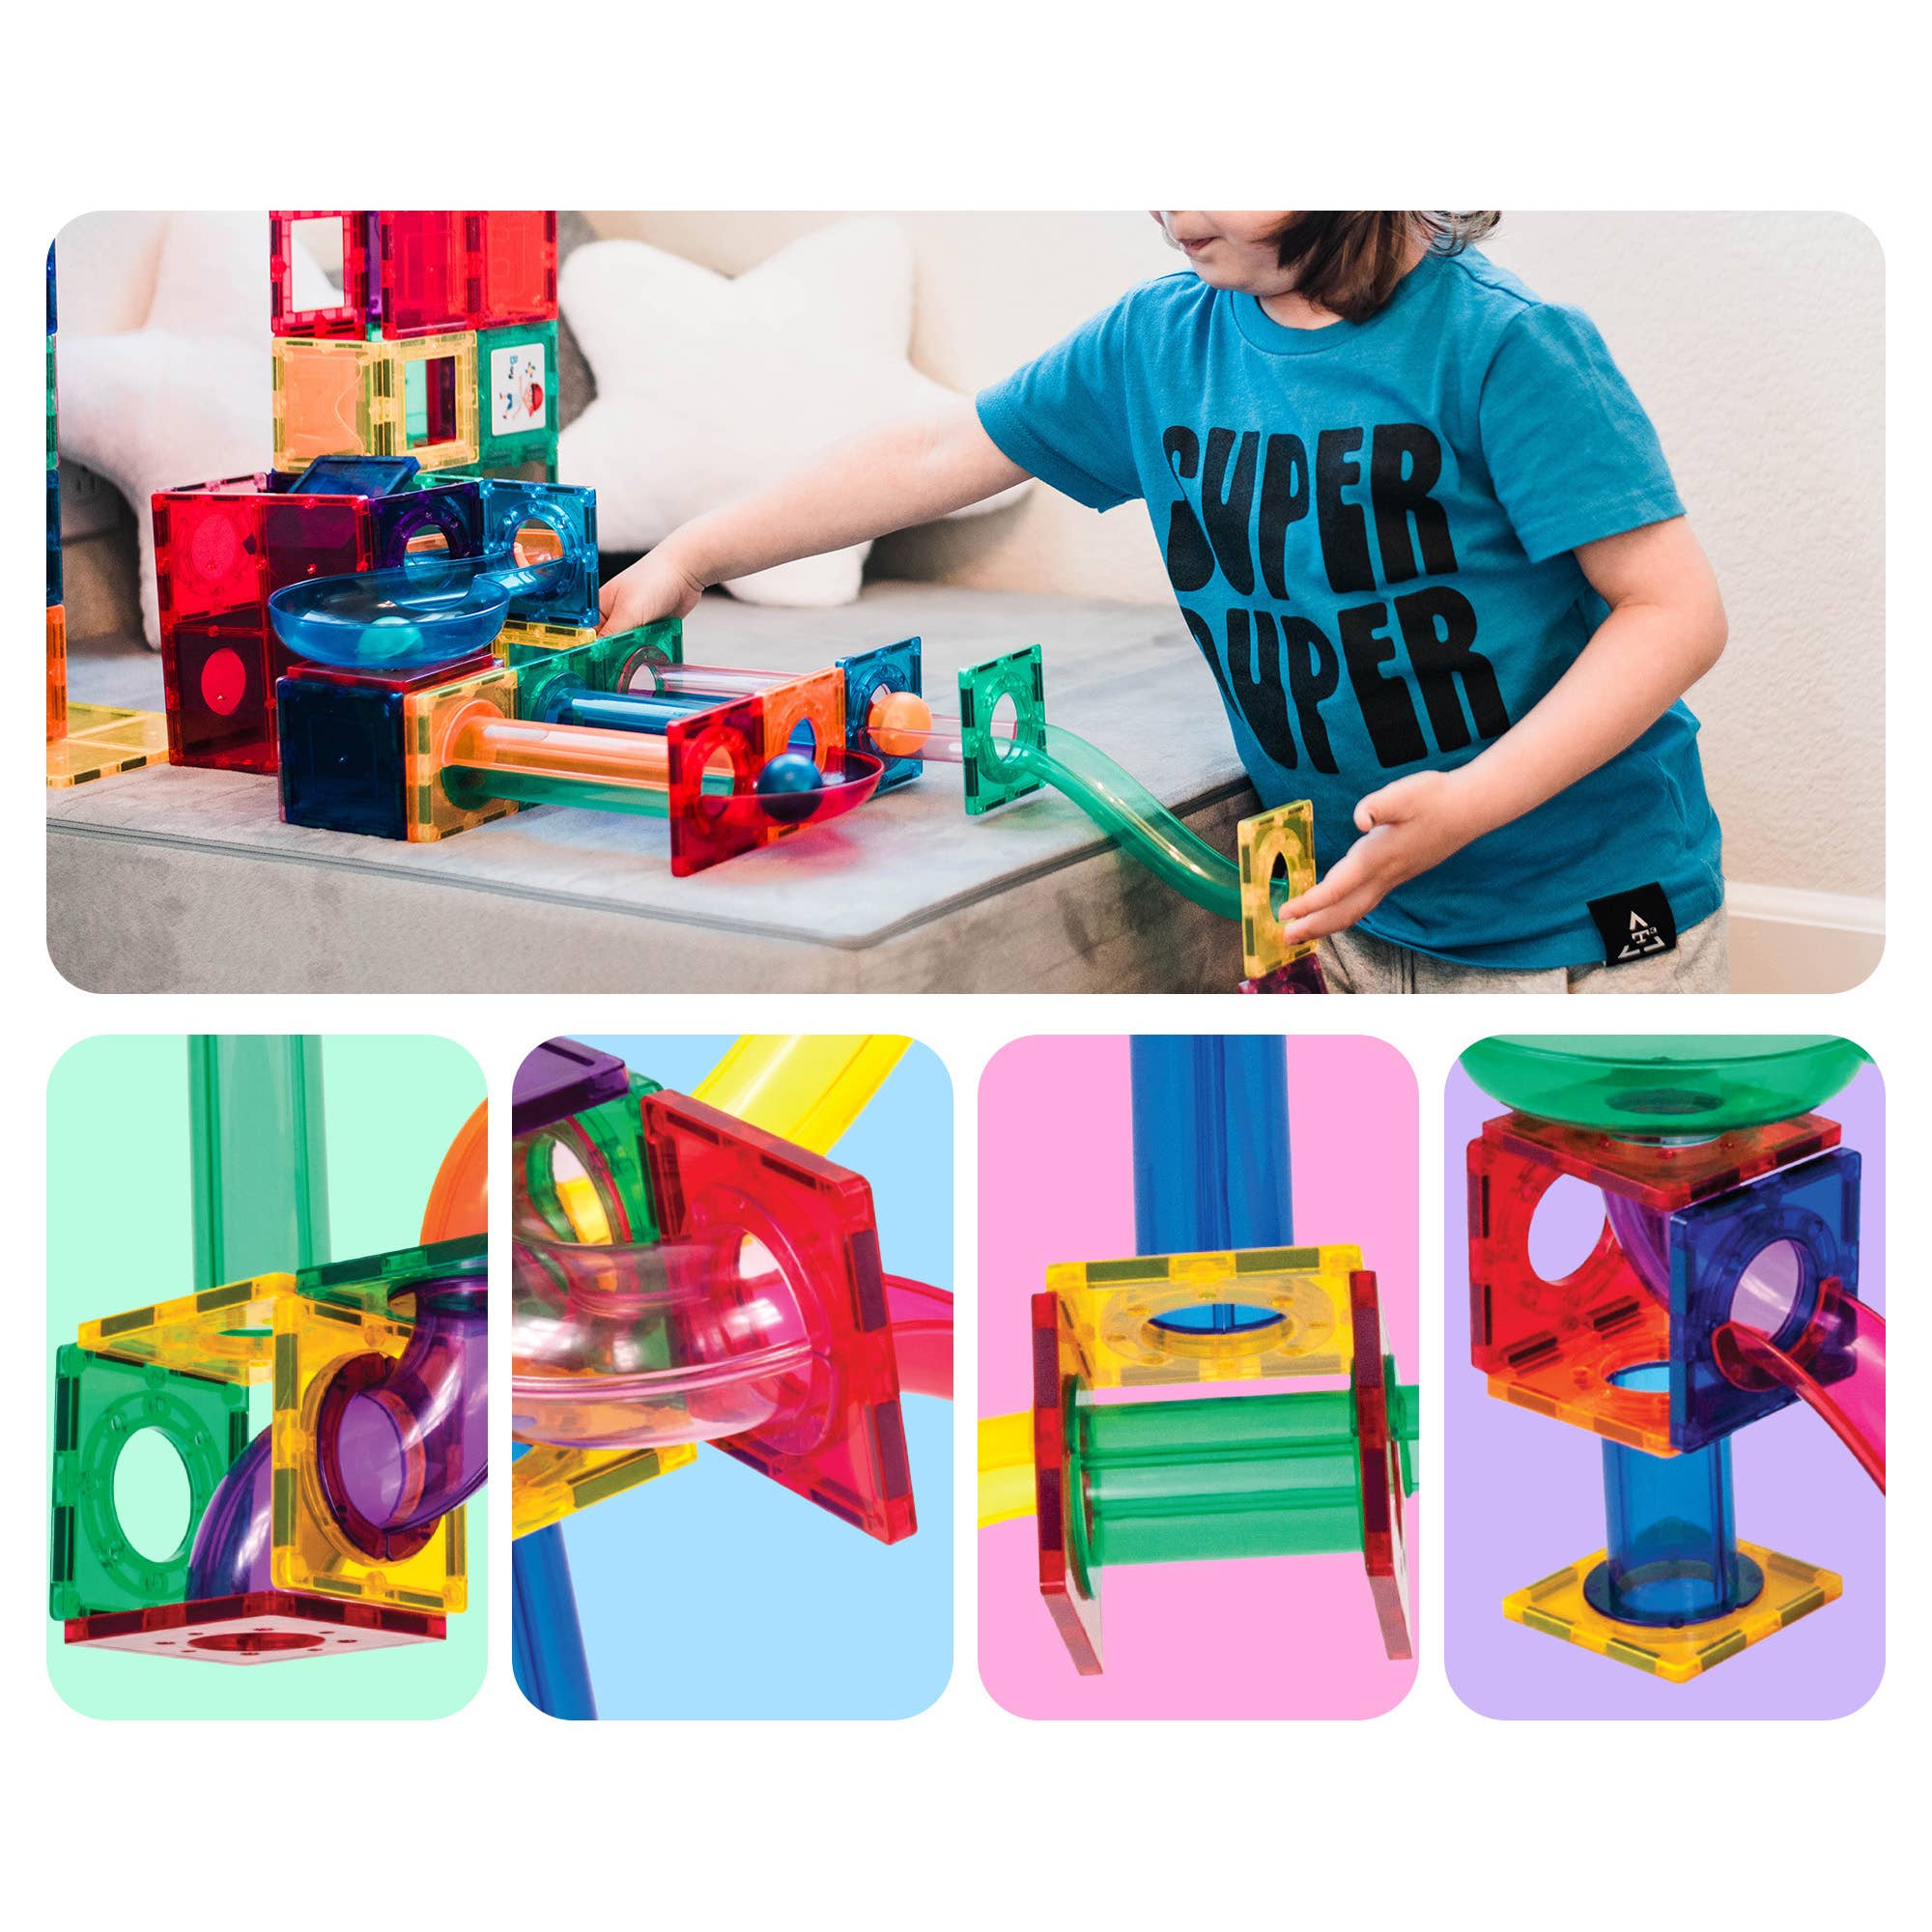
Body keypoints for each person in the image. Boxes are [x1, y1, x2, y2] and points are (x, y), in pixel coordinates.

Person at [598, 212, 1728, 992]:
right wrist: (690, 553)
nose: (1173, 209)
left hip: (1588, 921)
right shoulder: (1158, 341)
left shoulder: (1501, 343)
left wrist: (1471, 802)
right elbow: (935, 451)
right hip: (1360, 919)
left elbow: (1672, 613)